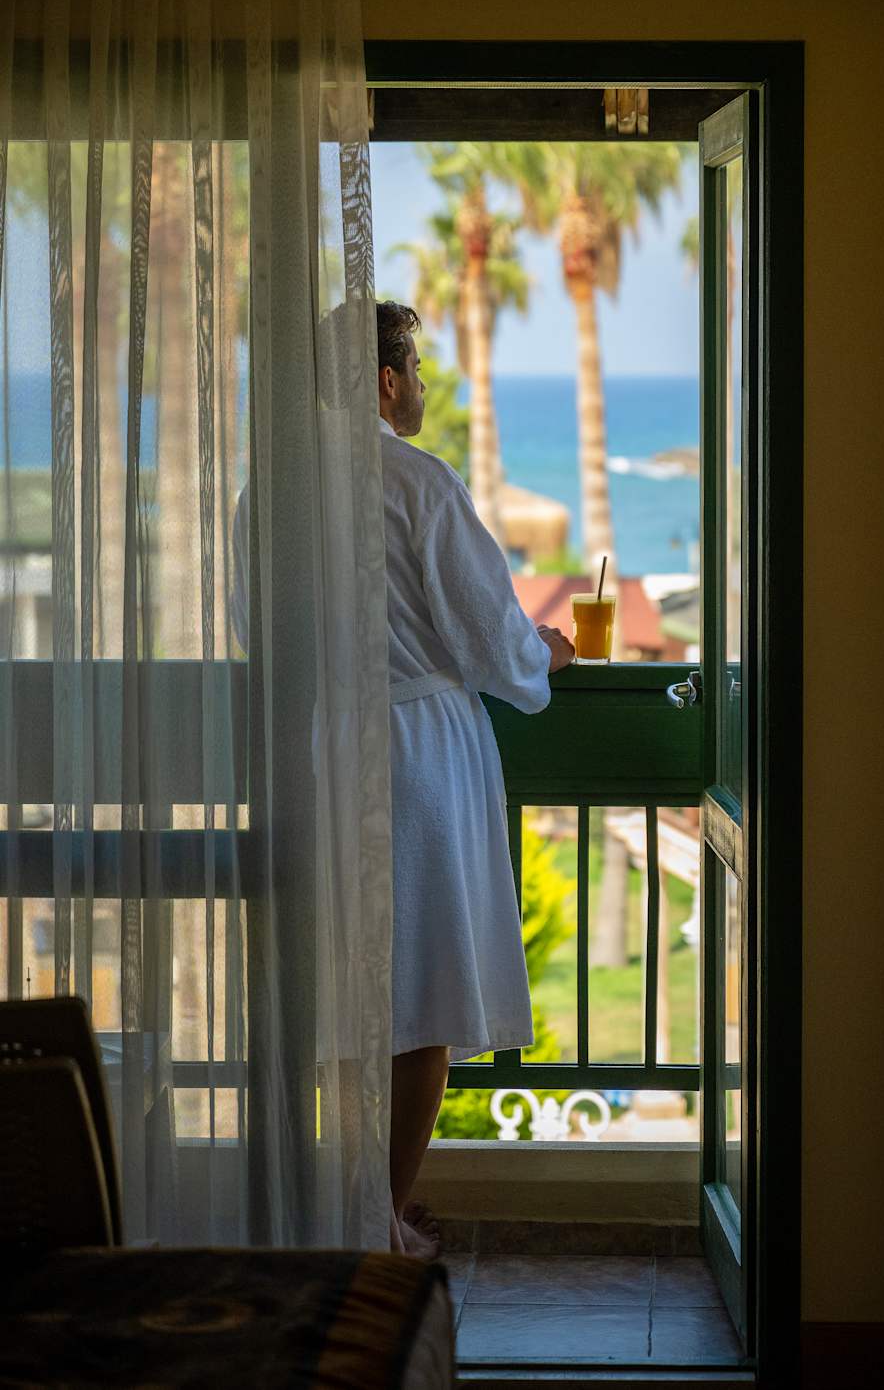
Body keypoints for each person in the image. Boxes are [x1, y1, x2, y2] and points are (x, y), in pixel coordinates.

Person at [231, 299, 575, 1259]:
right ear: (385, 382)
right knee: (423, 995)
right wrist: (547, 654)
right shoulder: (420, 483)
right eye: (416, 370)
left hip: (323, 750)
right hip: (420, 754)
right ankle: (379, 1217)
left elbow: (255, 627)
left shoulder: (270, 490)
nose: (422, 385)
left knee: (350, 988)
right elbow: (490, 637)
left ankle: (354, 1209)